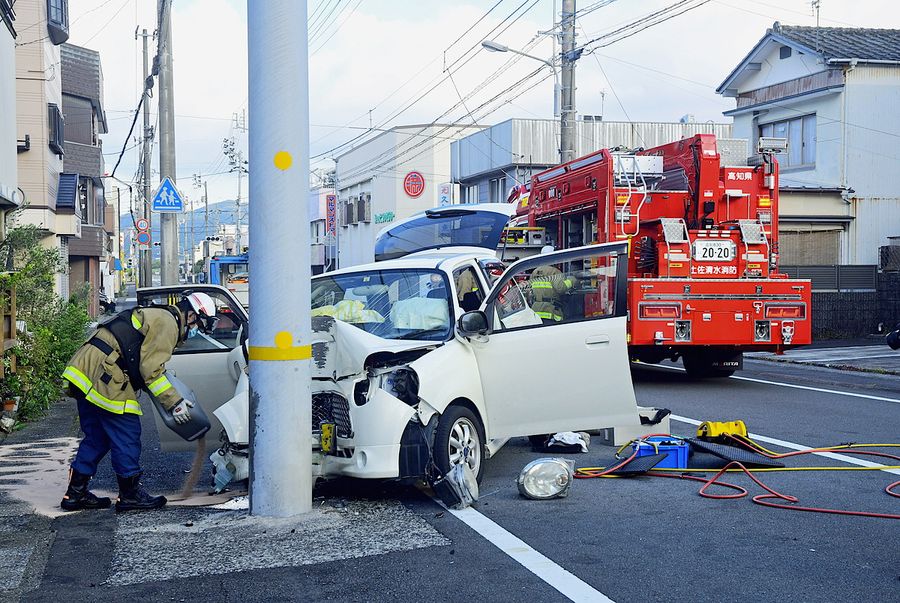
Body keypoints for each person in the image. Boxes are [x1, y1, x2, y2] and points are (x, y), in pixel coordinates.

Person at [60, 292, 218, 513]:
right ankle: (130, 496)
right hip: (104, 373)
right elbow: (150, 371)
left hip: (85, 370)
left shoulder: (159, 315)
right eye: (199, 324)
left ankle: (75, 493)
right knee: (127, 432)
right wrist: (175, 403)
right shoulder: (168, 323)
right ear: (191, 315)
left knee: (98, 437)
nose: (196, 330)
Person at [529, 246, 575, 322]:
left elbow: (529, 290)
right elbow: (561, 288)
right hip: (549, 310)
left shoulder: (535, 272)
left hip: (536, 310)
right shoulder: (554, 272)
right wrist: (573, 280)